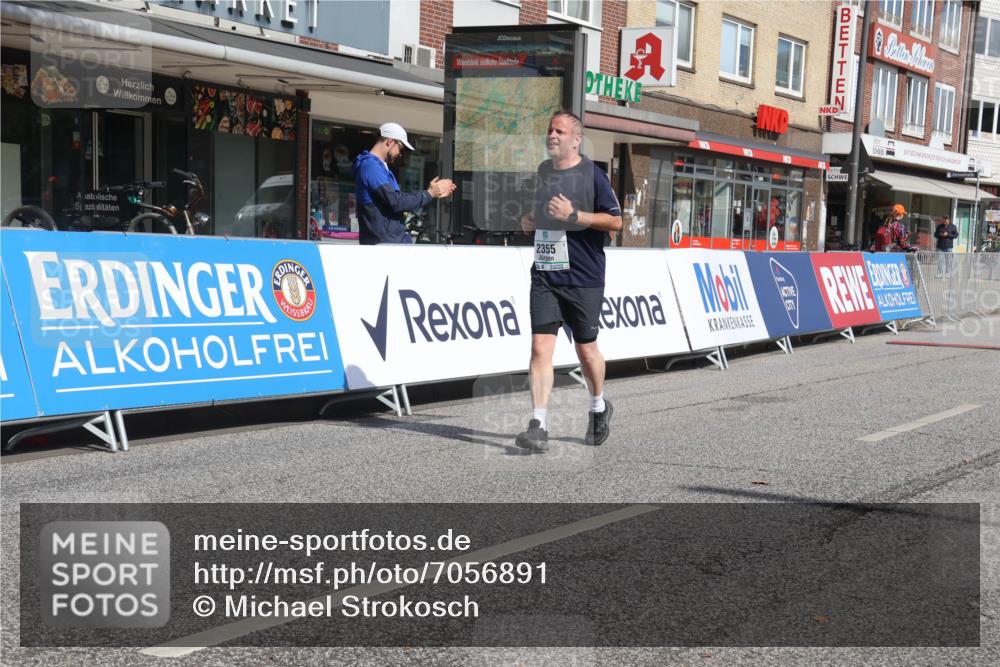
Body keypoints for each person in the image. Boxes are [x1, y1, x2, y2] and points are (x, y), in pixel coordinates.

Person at [516, 111, 623, 452]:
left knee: (586, 349)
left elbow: (616, 221)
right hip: (546, 273)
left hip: (584, 276)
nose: (552, 135)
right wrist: (530, 219)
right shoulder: (544, 172)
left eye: (559, 131)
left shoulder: (593, 175)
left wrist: (575, 216)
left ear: (576, 139)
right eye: (549, 129)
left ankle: (598, 406)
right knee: (539, 347)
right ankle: (538, 424)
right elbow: (542, 210)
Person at [352, 122, 455, 244]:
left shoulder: (378, 166)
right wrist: (428, 194)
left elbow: (396, 201)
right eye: (401, 148)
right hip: (383, 246)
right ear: (390, 142)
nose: (401, 154)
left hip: (388, 242)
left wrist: (429, 193)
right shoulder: (371, 166)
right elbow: (395, 201)